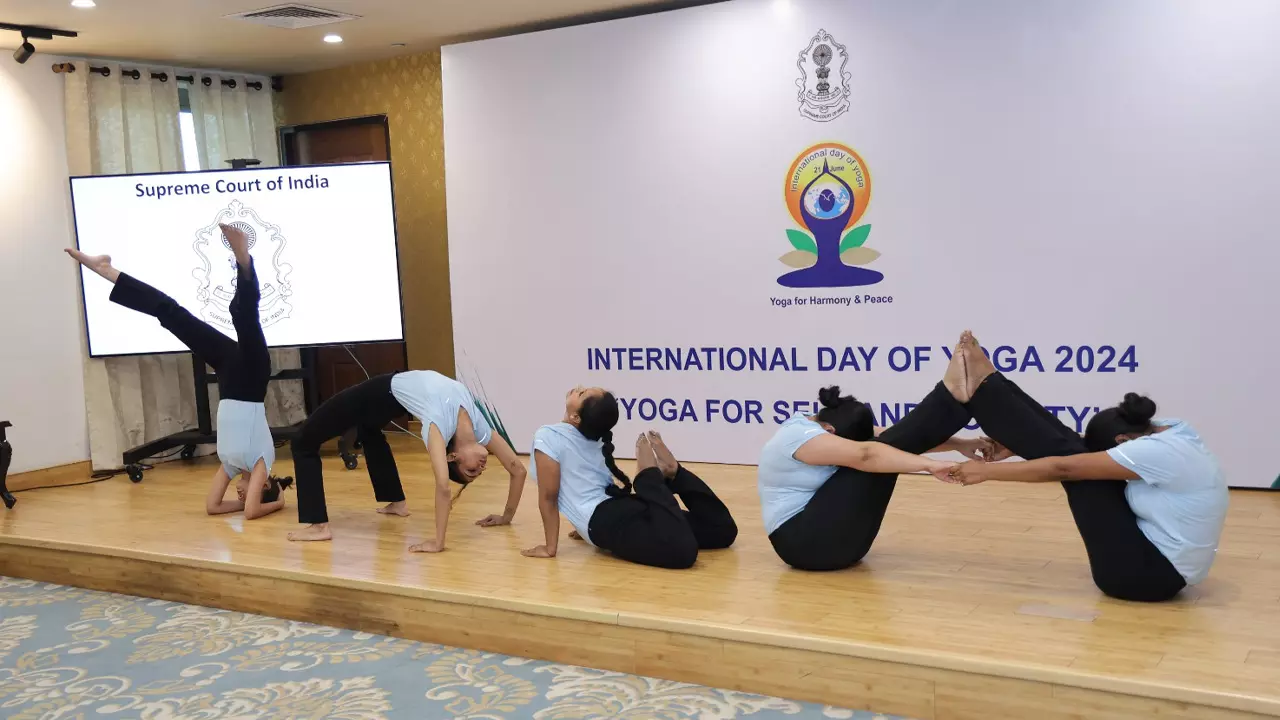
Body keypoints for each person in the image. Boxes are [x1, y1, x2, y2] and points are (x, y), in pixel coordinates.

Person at [948, 331, 1227, 602]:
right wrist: (1019, 446)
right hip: (1161, 568)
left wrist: (985, 472)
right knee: (1073, 450)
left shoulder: (1155, 451)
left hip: (1144, 579)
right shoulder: (1172, 429)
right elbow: (1079, 449)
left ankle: (988, 387)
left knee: (1076, 467)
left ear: (1123, 440)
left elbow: (1064, 468)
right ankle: (991, 382)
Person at [66, 225, 291, 520]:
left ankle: (108, 271)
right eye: (250, 494)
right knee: (242, 314)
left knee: (171, 314)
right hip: (253, 375)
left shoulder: (230, 463)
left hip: (228, 372)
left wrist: (241, 504)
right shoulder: (263, 460)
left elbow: (213, 507)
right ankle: (243, 259)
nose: (239, 495)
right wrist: (279, 503)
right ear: (265, 487)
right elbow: (251, 512)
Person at [759, 342, 985, 571]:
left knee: (888, 448)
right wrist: (929, 466)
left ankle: (952, 397)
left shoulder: (824, 424)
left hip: (844, 545)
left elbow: (894, 437)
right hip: (802, 544)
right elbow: (867, 454)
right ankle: (950, 395)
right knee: (877, 455)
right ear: (829, 430)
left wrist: (960, 444)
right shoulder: (797, 436)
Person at [287, 369, 527, 551]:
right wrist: (505, 518)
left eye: (472, 471)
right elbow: (518, 469)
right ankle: (396, 503)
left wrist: (438, 542)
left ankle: (318, 526)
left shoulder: (437, 426)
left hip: (386, 391)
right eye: (473, 472)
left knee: (302, 441)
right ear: (453, 456)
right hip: (387, 392)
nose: (481, 469)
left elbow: (443, 485)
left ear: (453, 457)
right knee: (367, 430)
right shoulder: (479, 428)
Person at [522, 387, 737, 569]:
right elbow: (577, 487)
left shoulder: (548, 436)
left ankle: (648, 477)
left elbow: (549, 497)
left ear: (576, 417)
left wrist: (550, 548)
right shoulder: (593, 436)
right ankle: (675, 473)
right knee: (722, 530)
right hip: (618, 508)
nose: (578, 388)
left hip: (607, 518)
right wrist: (580, 527)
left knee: (684, 552)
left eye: (582, 393)